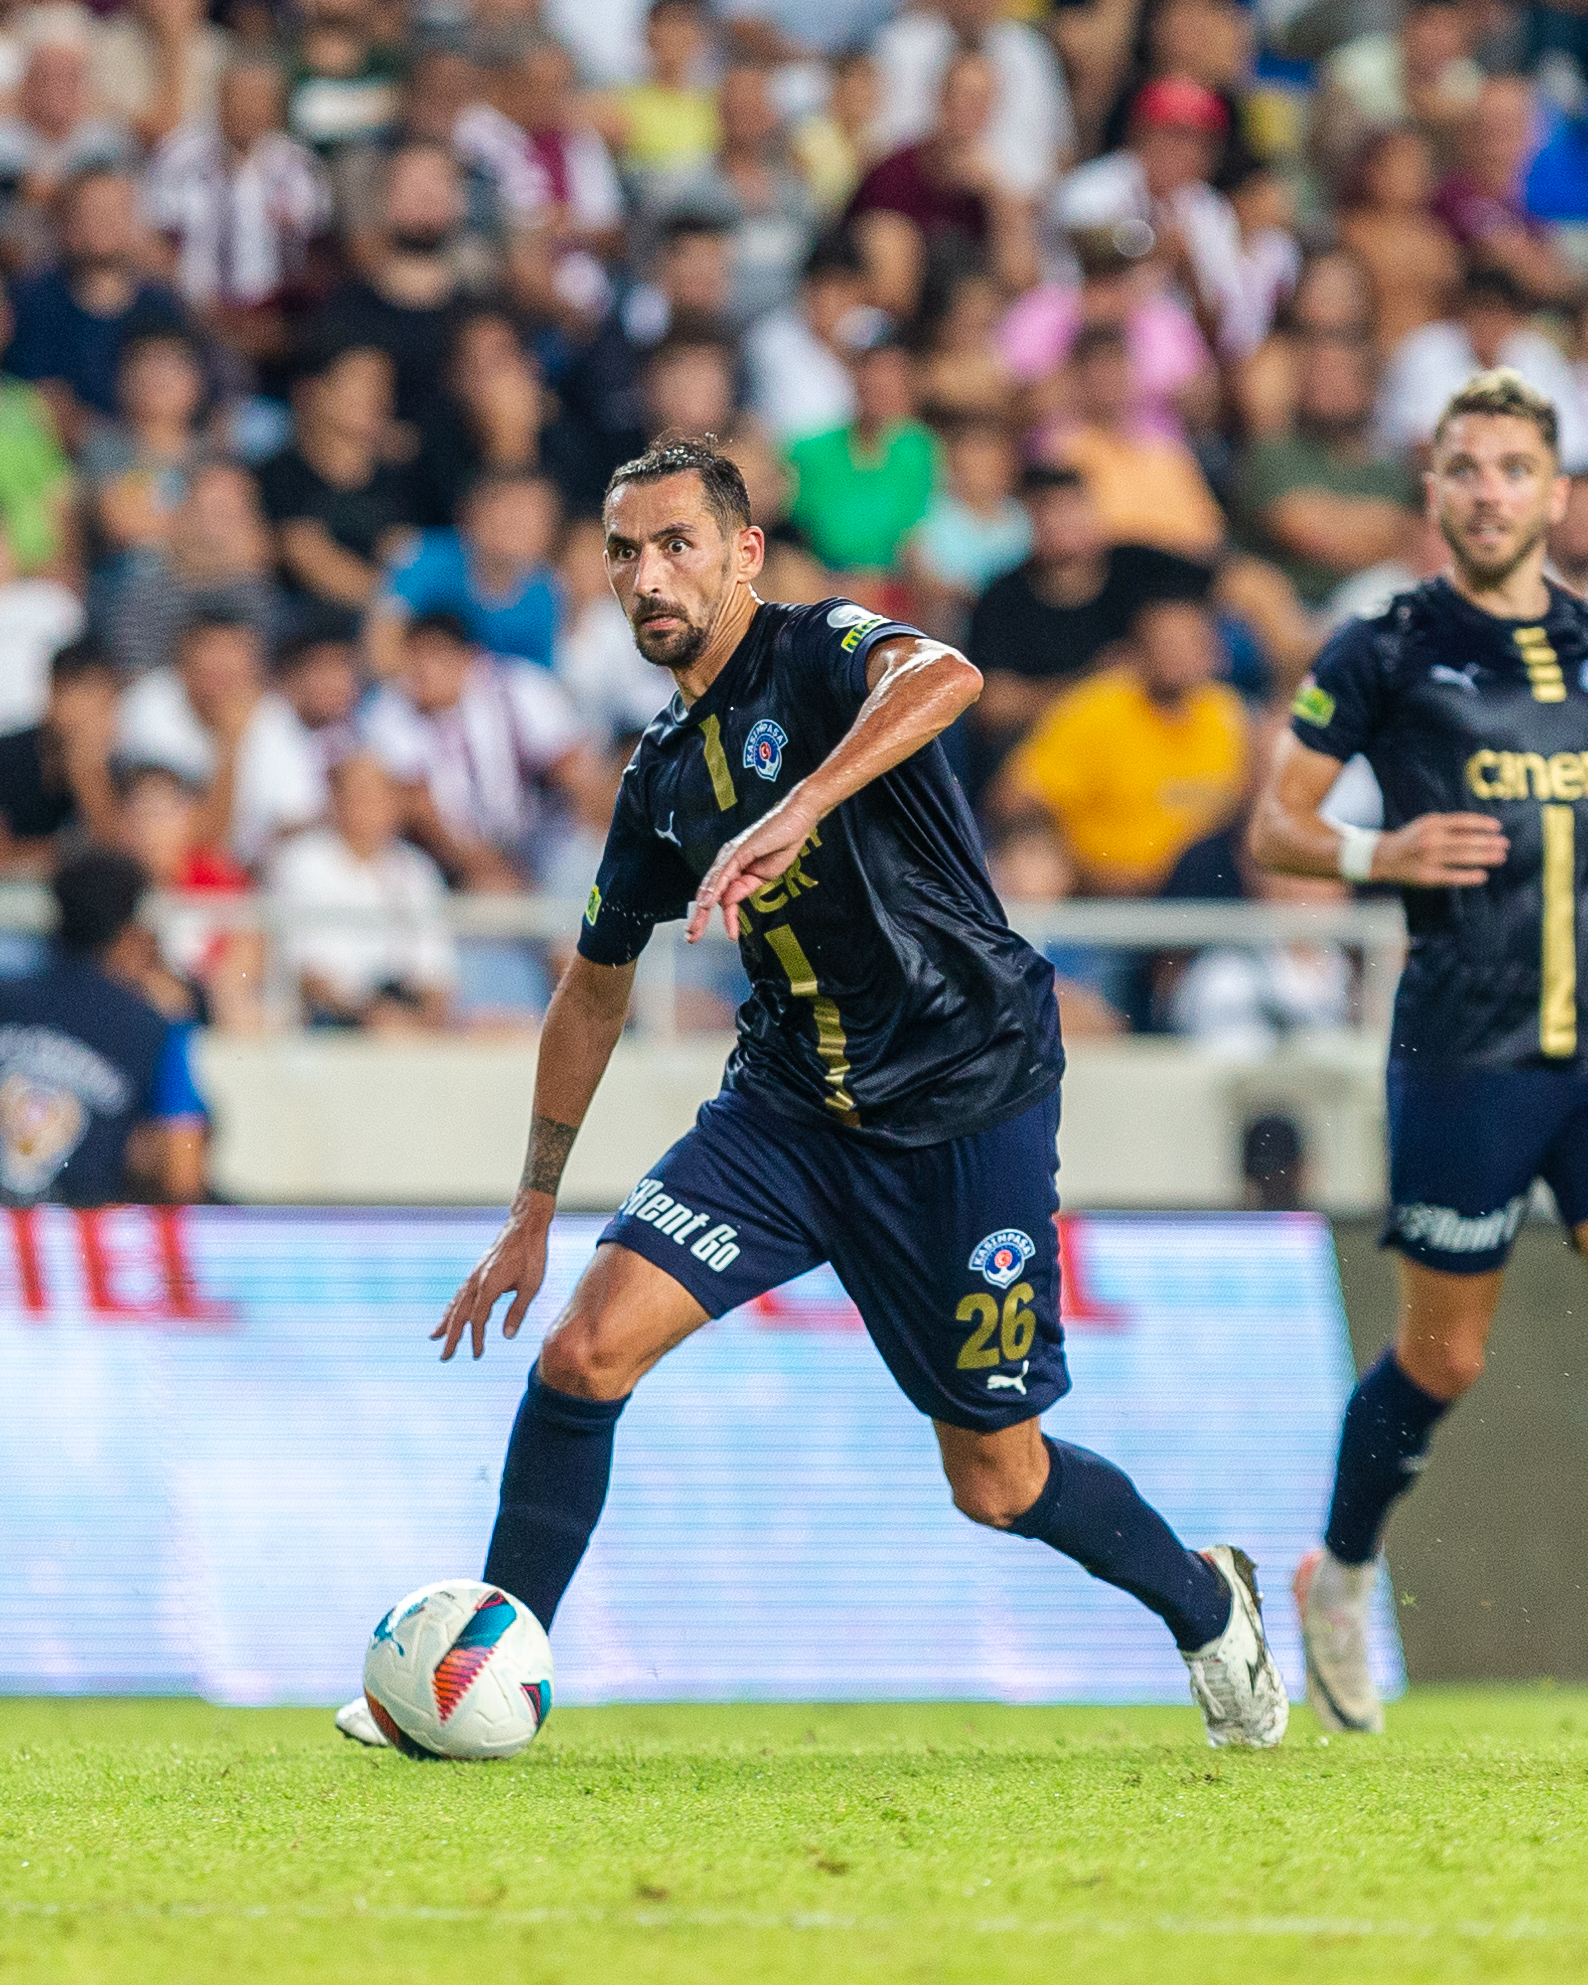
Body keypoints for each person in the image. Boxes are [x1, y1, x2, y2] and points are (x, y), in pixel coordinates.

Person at [329, 436, 1288, 1754]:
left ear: (744, 552)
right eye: (623, 552)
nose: (648, 576)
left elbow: (949, 676)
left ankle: (1206, 1603)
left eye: (676, 544)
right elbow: (592, 989)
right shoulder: (660, 775)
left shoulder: (822, 650)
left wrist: (804, 804)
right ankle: (477, 1676)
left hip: (964, 1100)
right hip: (787, 1113)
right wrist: (532, 1207)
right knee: (582, 1350)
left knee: (998, 1479)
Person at [1247, 367, 1588, 1736]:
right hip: (1467, 1049)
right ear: (1432, 490)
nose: (1489, 491)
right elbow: (1275, 826)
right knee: (1444, 1360)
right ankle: (1340, 1568)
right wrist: (1377, 853)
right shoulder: (1384, 648)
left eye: (1514, 467)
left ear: (1555, 494)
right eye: (1465, 468)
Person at [964, 463, 1212, 788]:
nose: (1062, 523)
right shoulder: (1002, 598)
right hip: (1053, 754)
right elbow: (992, 707)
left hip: (1153, 740)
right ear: (1027, 521)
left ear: (1096, 511)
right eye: (1048, 510)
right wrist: (1094, 683)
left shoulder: (1138, 564)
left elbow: (1234, 582)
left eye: (1074, 507)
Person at [993, 594, 1249, 896]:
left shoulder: (1227, 716)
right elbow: (1013, 800)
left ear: (1213, 653)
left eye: (1190, 644)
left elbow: (1243, 808)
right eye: (1165, 644)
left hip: (1195, 892)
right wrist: (1073, 868)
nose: (1177, 657)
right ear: (1138, 651)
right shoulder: (1097, 708)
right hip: (1095, 891)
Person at [0, 847, 207, 1204]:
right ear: (130, 931)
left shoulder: (7, 996)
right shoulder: (153, 1026)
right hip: (84, 1230)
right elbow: (182, 1173)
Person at [116, 609, 326, 865]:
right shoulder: (150, 703)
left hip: (251, 870)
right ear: (184, 658)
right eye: (212, 651)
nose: (222, 665)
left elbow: (299, 815)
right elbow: (200, 835)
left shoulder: (273, 713)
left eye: (234, 654)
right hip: (171, 867)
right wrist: (230, 745)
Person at [267, 749, 456, 1031]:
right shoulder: (302, 862)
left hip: (400, 1021)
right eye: (359, 793)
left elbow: (436, 977)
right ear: (335, 799)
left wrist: (417, 1026)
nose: (369, 805)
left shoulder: (417, 870)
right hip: (327, 1023)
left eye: (380, 794)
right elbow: (307, 974)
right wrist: (370, 1018)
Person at [366, 471, 561, 678]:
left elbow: (541, 679)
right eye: (508, 508)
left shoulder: (545, 590)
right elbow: (381, 655)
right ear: (473, 512)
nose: (516, 523)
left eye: (531, 514)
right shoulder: (424, 557)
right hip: (411, 688)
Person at [0, 639, 117, 870]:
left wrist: (87, 776)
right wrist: (72, 851)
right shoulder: (8, 757)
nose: (88, 716)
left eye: (103, 703)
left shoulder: (120, 763)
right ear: (54, 695)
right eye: (80, 696)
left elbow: (119, 855)